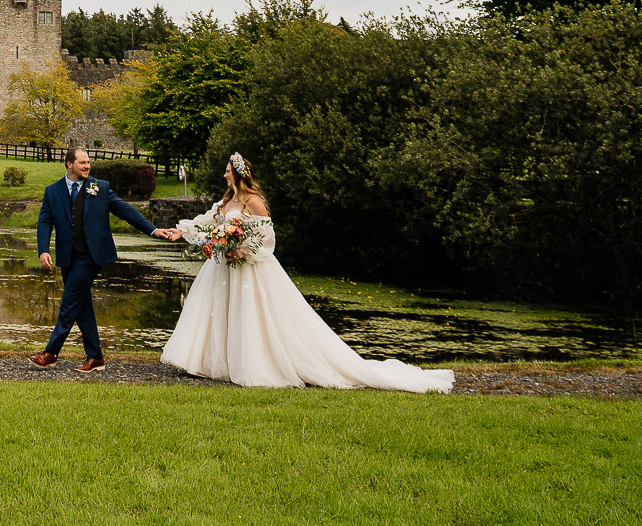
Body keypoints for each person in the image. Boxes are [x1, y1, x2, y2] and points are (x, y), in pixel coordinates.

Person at [158, 152, 453, 392]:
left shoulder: (253, 202)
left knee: (251, 315)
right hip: (224, 267)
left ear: (238, 174)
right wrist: (181, 232)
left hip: (248, 268)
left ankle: (256, 364)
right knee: (219, 312)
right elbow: (206, 223)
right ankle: (216, 364)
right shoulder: (226, 202)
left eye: (227, 170)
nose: (224, 175)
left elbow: (265, 238)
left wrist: (242, 249)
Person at [31, 146, 182, 373]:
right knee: (82, 306)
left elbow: (125, 211)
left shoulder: (99, 187)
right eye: (82, 163)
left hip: (92, 256)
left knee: (69, 301)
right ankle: (95, 358)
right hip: (67, 257)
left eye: (88, 162)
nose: (87, 166)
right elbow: (44, 221)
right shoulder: (52, 191)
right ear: (69, 164)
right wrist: (43, 249)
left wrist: (153, 230)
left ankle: (51, 352)